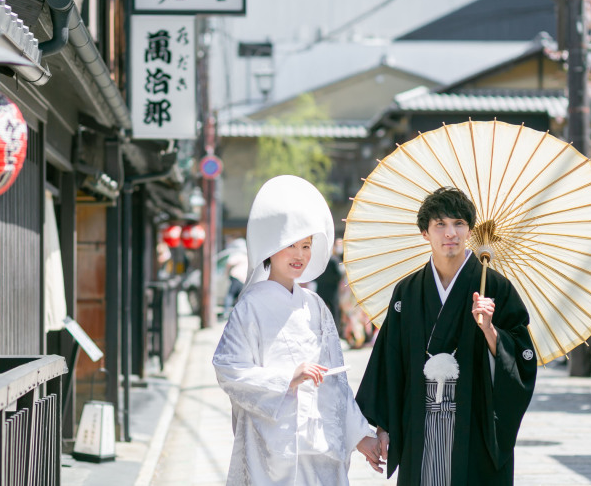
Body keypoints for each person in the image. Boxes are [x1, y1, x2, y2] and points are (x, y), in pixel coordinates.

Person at [356, 187, 537, 486]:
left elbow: (522, 357)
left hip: (474, 422)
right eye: (440, 224)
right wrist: (384, 426)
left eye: (458, 224)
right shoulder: (408, 291)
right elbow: (390, 361)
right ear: (425, 232)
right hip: (419, 421)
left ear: (469, 230)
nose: (450, 233)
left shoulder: (495, 287)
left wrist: (490, 329)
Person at [212, 175, 380, 485]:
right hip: (271, 442)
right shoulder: (249, 307)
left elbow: (336, 382)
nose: (300, 254)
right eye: (291, 245)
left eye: (306, 245)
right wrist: (287, 377)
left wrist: (360, 437)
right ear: (272, 248)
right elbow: (228, 368)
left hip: (319, 440)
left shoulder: (314, 305)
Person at [315, 238, 343, 335]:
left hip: (320, 288)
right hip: (332, 290)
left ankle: (321, 331)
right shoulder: (334, 260)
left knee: (320, 311)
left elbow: (314, 276)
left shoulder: (319, 261)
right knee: (334, 311)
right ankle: (336, 332)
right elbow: (339, 274)